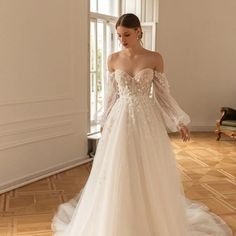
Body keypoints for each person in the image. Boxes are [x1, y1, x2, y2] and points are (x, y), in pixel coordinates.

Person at [51, 13, 232, 235]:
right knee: (120, 167)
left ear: (138, 31)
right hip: (121, 119)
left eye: (126, 34)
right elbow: (111, 96)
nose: (122, 39)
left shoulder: (154, 58)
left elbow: (163, 96)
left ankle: (150, 217)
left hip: (146, 120)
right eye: (118, 35)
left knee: (147, 168)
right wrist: (105, 121)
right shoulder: (113, 59)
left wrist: (178, 120)